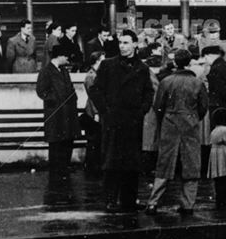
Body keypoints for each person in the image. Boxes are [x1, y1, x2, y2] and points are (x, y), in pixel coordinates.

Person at [88, 31, 153, 212]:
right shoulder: (109, 65)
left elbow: (149, 91)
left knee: (132, 163)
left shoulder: (142, 68)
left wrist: (142, 110)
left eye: (126, 43)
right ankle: (110, 199)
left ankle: (129, 200)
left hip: (133, 121)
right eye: (120, 43)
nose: (122, 46)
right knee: (111, 161)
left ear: (134, 45)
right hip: (114, 121)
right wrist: (105, 111)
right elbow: (95, 90)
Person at [146, 48, 209, 215]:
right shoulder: (198, 83)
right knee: (191, 164)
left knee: (165, 163)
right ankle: (188, 203)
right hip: (190, 123)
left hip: (169, 123)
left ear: (175, 62)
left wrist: (166, 117)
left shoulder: (166, 81)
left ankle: (153, 202)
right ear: (189, 63)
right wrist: (193, 117)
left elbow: (157, 105)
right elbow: (203, 107)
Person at [36, 45, 80, 184]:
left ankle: (65, 165)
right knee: (56, 141)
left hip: (67, 112)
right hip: (55, 113)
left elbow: (70, 88)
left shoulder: (64, 71)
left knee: (67, 139)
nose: (67, 59)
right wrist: (54, 99)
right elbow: (41, 91)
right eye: (66, 56)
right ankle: (56, 168)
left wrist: (73, 98)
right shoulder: (46, 71)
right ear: (59, 56)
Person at [81, 50, 105, 175]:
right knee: (94, 140)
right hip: (93, 112)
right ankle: (91, 167)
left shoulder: (98, 74)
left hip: (96, 111)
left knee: (97, 140)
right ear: (96, 61)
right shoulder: (91, 76)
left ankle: (94, 166)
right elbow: (93, 96)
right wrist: (96, 113)